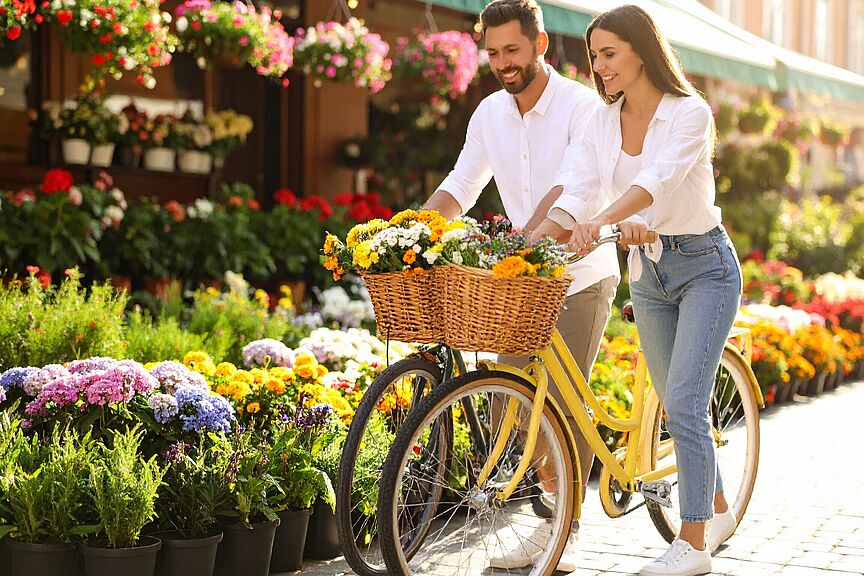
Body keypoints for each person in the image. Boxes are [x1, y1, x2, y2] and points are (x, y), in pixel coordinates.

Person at [532, 5, 742, 576]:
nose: (599, 66)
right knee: (677, 400)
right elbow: (577, 187)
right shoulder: (602, 122)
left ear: (642, 51)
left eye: (609, 54)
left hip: (705, 267)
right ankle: (718, 508)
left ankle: (693, 544)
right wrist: (531, 242)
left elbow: (658, 182)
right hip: (648, 276)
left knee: (685, 403)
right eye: (594, 56)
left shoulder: (689, 113)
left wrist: (601, 222)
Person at [422, 0, 618, 570]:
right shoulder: (489, 113)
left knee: (562, 404)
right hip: (520, 283)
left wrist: (525, 243)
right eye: (493, 53)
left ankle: (565, 528)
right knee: (509, 403)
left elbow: (574, 187)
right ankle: (551, 513)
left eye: (513, 49)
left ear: (540, 45)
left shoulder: (583, 107)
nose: (503, 62)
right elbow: (462, 184)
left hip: (578, 276)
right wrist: (411, 228)